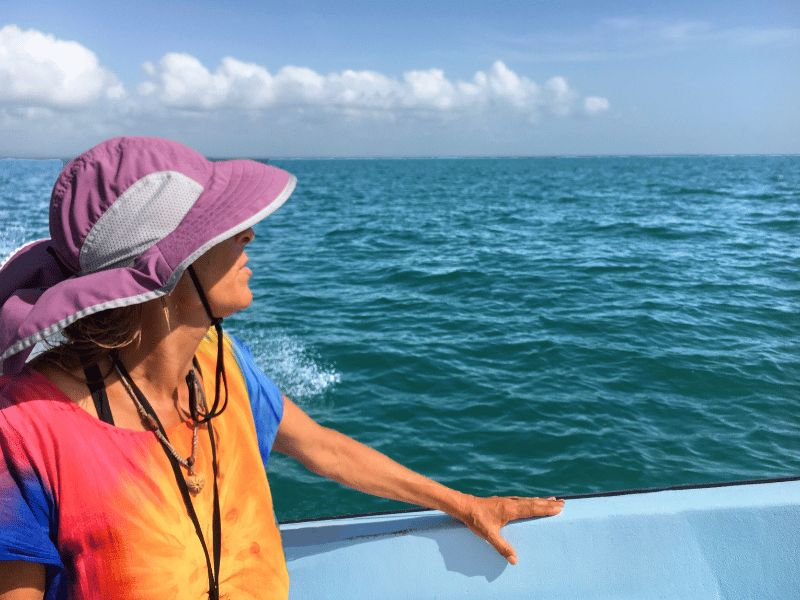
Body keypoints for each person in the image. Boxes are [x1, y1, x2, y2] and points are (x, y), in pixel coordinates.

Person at [0, 137, 563, 599]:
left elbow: (322, 447)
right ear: (166, 272)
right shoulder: (28, 428)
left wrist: (464, 504)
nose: (249, 234)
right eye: (222, 229)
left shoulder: (222, 364)